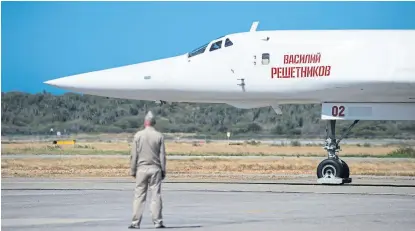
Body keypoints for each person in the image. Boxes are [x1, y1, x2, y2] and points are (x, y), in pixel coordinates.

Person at [128, 111, 166, 229]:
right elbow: (162, 155)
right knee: (156, 195)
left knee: (139, 196)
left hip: (141, 168)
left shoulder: (138, 135)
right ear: (154, 123)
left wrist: (133, 170)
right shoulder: (159, 136)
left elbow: (134, 155)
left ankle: (135, 222)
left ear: (145, 122)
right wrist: (163, 170)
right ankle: (158, 222)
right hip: (155, 169)